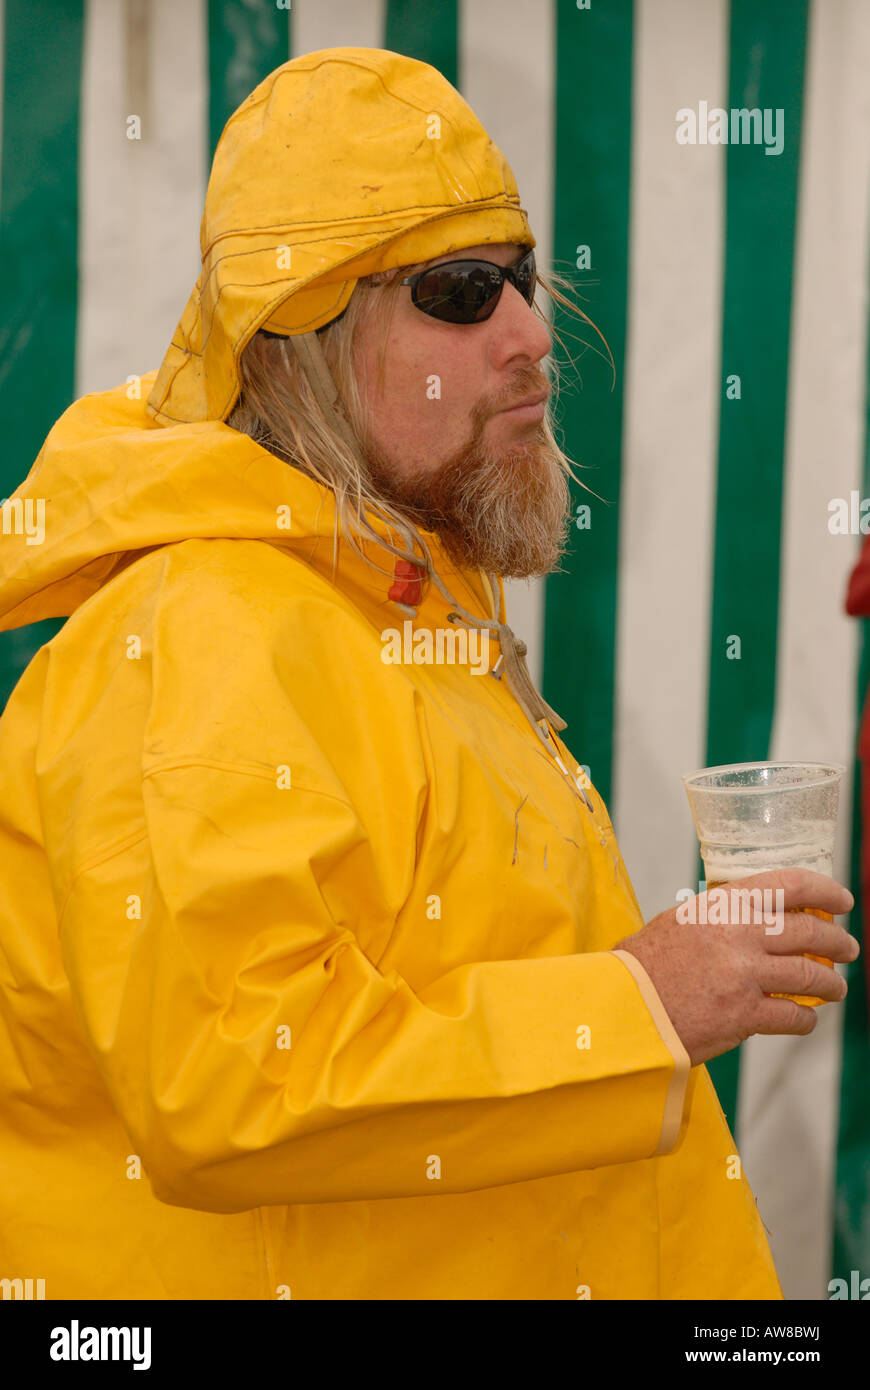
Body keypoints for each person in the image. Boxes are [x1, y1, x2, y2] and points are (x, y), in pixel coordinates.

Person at [0, 46, 858, 1302]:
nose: (529, 333)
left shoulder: (390, 607)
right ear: (300, 340)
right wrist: (643, 998)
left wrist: (653, 978)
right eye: (461, 290)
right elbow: (236, 1082)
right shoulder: (209, 627)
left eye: (522, 278)